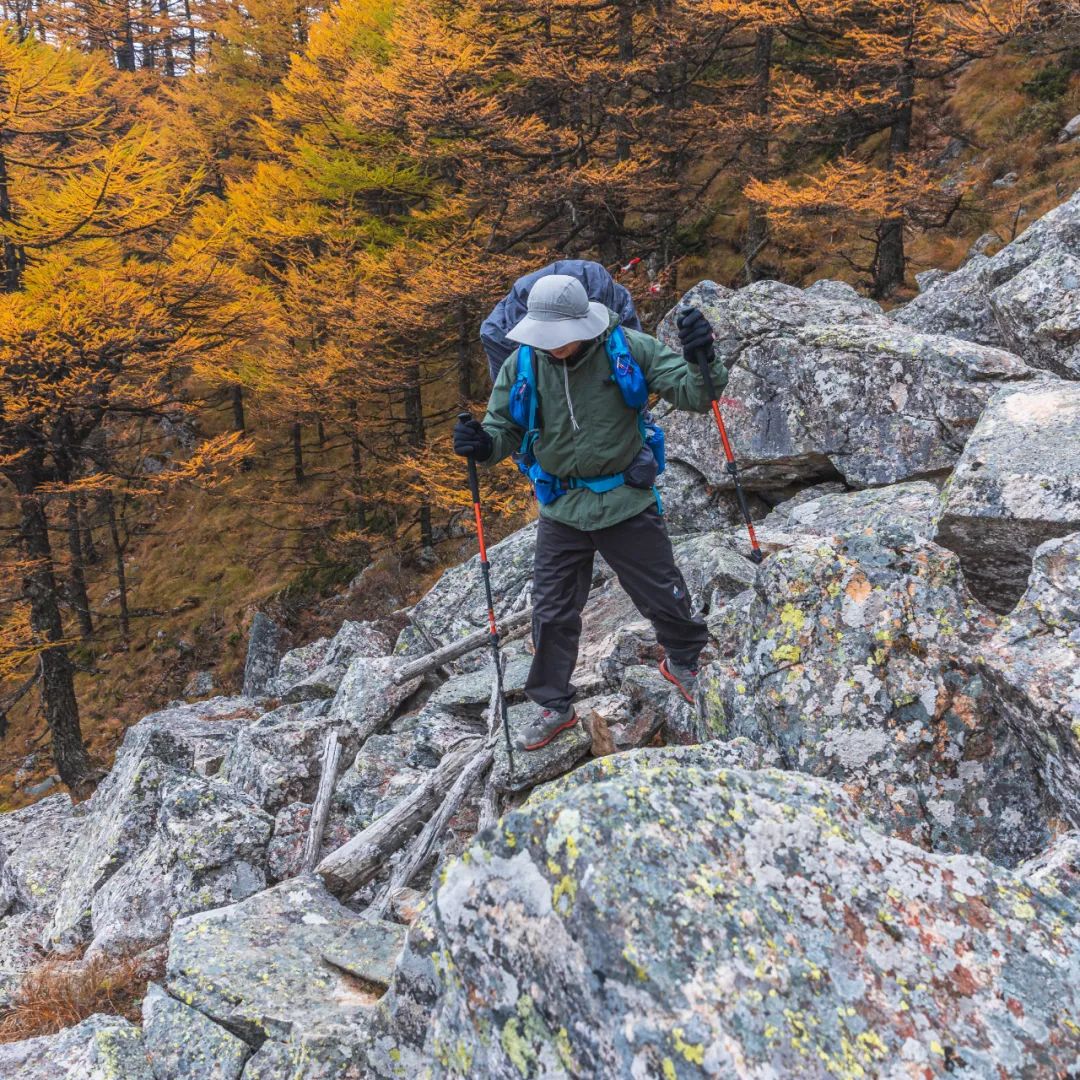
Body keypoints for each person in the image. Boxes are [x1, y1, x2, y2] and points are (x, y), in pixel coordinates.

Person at [453, 274, 723, 752]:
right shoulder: (522, 364)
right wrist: (482, 445)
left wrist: (703, 362)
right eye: (545, 337)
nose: (553, 347)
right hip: (561, 508)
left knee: (661, 588)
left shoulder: (627, 348)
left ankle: (684, 657)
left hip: (626, 499)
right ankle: (554, 705)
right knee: (552, 611)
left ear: (585, 323)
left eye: (560, 337)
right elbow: (503, 427)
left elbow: (695, 395)